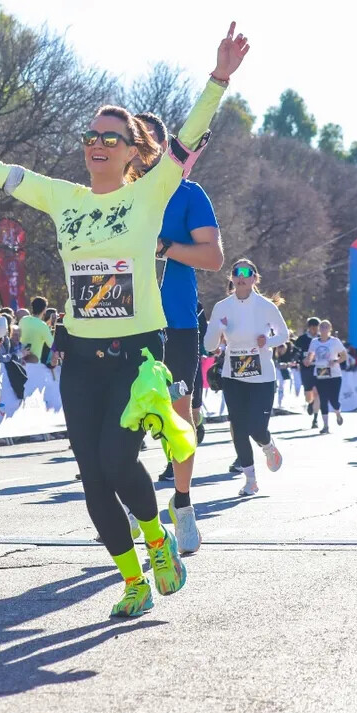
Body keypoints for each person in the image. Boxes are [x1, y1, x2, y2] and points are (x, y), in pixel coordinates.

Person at [0, 22, 248, 618]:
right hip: (80, 356)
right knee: (92, 476)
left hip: (136, 353)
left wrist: (219, 77)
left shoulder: (151, 192)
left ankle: (156, 539)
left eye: (110, 137)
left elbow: (188, 137)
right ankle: (134, 579)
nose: (97, 144)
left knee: (117, 459)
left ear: (132, 150)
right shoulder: (63, 197)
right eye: (91, 136)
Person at [139, 112, 224, 554]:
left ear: (167, 150)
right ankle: (133, 506)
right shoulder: (112, 195)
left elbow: (214, 259)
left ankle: (183, 503)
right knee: (123, 416)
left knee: (178, 413)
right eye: (134, 142)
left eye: (151, 143)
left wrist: (164, 247)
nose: (142, 152)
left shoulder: (189, 194)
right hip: (124, 320)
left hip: (176, 322)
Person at [204, 260, 288, 496]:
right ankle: (250, 480)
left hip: (262, 377)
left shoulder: (265, 306)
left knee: (257, 429)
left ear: (254, 278)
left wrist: (267, 341)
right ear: (231, 277)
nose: (240, 277)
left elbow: (283, 334)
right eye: (236, 272)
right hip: (233, 376)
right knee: (239, 428)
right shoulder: (222, 307)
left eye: (246, 272)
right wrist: (217, 329)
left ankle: (267, 445)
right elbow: (209, 345)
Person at [306, 319, 348, 434]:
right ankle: (325, 426)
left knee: (334, 400)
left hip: (334, 374)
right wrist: (308, 360)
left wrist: (335, 361)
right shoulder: (314, 342)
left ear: (330, 329)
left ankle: (338, 413)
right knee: (323, 399)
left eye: (326, 326)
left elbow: (344, 356)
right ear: (319, 329)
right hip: (321, 373)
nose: (323, 328)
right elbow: (310, 355)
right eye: (322, 326)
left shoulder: (335, 341)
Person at [294, 317, 322, 427]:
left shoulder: (322, 338)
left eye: (317, 327)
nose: (315, 330)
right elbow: (296, 353)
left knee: (317, 392)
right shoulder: (302, 339)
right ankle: (310, 403)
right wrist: (299, 360)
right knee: (308, 393)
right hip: (306, 369)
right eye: (313, 327)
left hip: (319, 368)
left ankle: (315, 419)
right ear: (309, 327)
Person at [18, 296, 54, 364]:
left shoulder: (23, 320)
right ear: (44, 309)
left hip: (20, 360)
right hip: (34, 363)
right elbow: (52, 345)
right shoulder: (43, 326)